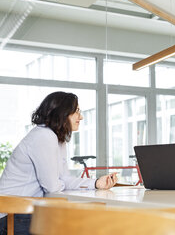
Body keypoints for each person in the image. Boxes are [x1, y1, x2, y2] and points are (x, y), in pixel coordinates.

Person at [0, 91, 118, 235]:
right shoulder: (44, 136)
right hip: (12, 215)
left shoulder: (57, 138)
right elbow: (52, 187)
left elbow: (62, 179)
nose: (81, 117)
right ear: (62, 113)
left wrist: (96, 183)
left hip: (25, 211)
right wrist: (60, 182)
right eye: (76, 111)